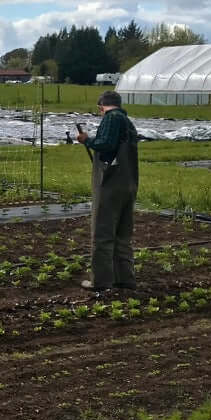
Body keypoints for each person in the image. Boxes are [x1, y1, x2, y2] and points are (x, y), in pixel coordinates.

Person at [75, 90, 139, 291]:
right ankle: (125, 278)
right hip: (128, 184)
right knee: (122, 233)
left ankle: (100, 281)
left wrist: (87, 140)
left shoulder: (111, 119)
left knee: (103, 233)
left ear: (101, 106)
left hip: (110, 184)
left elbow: (106, 144)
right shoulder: (127, 122)